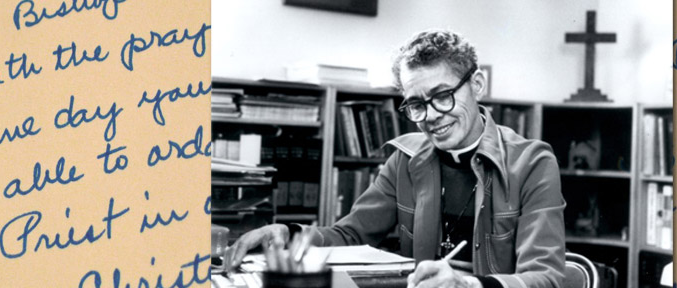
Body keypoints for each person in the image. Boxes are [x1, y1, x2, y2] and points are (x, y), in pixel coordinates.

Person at [225, 29, 566, 288]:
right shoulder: (405, 159)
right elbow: (352, 236)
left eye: (443, 96)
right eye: (416, 104)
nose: (431, 116)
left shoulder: (533, 163)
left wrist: (469, 285)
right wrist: (288, 233)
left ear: (477, 85)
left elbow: (546, 276)